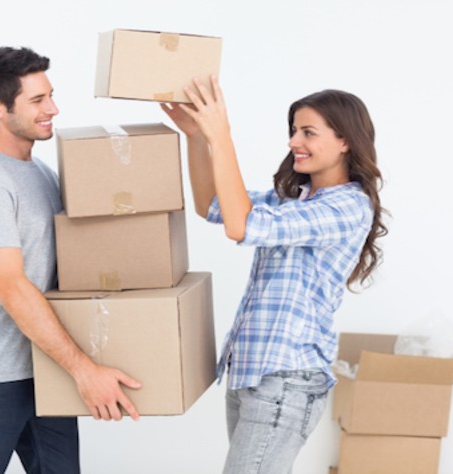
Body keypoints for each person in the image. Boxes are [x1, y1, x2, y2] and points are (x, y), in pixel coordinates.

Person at [161, 77, 387, 474]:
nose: (294, 142)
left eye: (308, 132)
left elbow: (242, 227)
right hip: (252, 371)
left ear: (345, 141)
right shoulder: (296, 198)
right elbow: (213, 206)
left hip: (286, 379)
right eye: (293, 131)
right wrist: (197, 137)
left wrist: (223, 135)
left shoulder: (348, 207)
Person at [0, 46, 142, 474]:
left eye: (50, 95)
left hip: (44, 366)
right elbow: (11, 284)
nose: (53, 108)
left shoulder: (41, 174)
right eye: (37, 100)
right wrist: (84, 369)